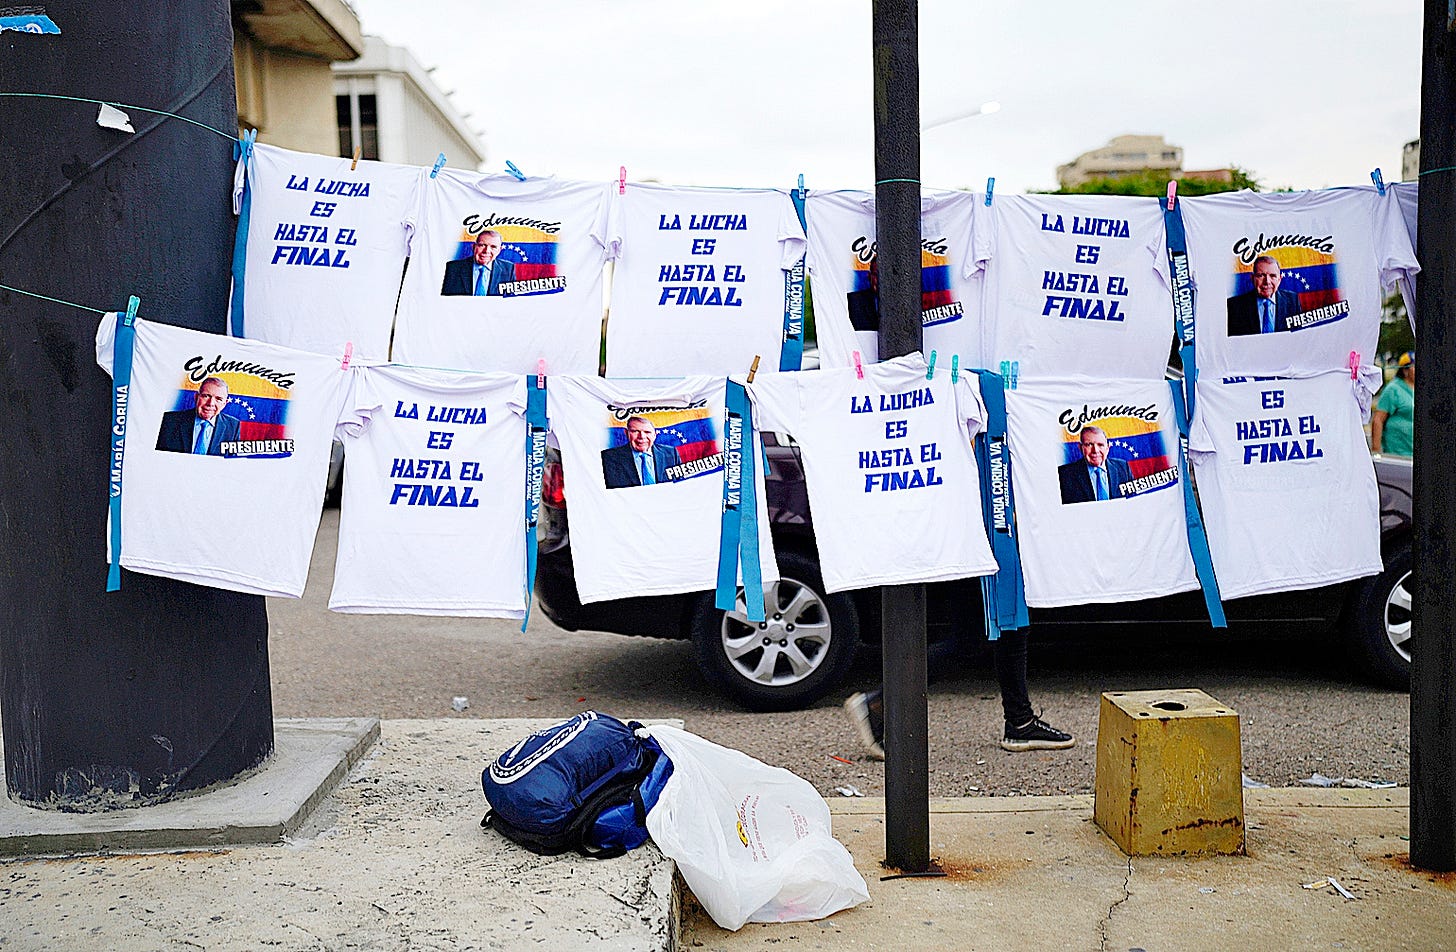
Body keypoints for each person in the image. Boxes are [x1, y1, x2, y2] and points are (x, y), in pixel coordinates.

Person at [844, 629, 1073, 757]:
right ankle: (880, 703)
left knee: (1010, 629)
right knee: (974, 639)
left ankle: (1020, 721)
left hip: (988, 546)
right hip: (989, 545)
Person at [155, 376, 241, 455]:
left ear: (224, 404)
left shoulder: (233, 426)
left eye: (218, 399)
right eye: (206, 396)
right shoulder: (168, 421)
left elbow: (230, 463)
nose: (211, 403)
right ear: (196, 397)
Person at [1227, 255, 1302, 336]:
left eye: (1273, 276)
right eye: (1261, 275)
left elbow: (1298, 336)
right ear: (1252, 278)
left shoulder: (1293, 300)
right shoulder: (1234, 306)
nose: (1267, 281)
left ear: (1279, 280)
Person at [1057, 426, 1133, 504]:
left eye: (1100, 445)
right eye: (1089, 445)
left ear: (1108, 448)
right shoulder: (1064, 475)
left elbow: (1132, 500)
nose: (1095, 450)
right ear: (1080, 448)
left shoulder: (1123, 468)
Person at [601, 416, 680, 489]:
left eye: (647, 432)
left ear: (654, 435)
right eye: (635, 431)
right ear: (626, 433)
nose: (642, 436)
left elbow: (680, 484)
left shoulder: (671, 453)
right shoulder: (608, 457)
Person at [441, 230, 517, 296]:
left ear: (499, 250)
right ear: (474, 247)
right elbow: (445, 300)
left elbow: (510, 302)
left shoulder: (508, 269)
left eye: (493, 247)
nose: (486, 251)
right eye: (482, 245)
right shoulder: (453, 268)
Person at [1371, 351, 1415, 457]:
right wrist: (1376, 452)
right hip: (1397, 453)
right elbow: (1378, 420)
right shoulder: (1393, 389)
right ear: (1405, 370)